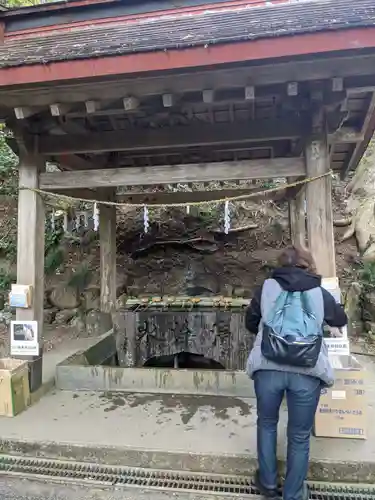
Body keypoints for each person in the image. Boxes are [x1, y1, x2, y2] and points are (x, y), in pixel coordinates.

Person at [245, 246, 347, 500]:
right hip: (307, 370)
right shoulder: (319, 292)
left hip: (268, 368)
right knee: (299, 435)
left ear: (280, 266)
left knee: (267, 424)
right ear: (307, 265)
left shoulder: (266, 288)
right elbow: (340, 319)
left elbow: (250, 322)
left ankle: (268, 484)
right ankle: (293, 493)